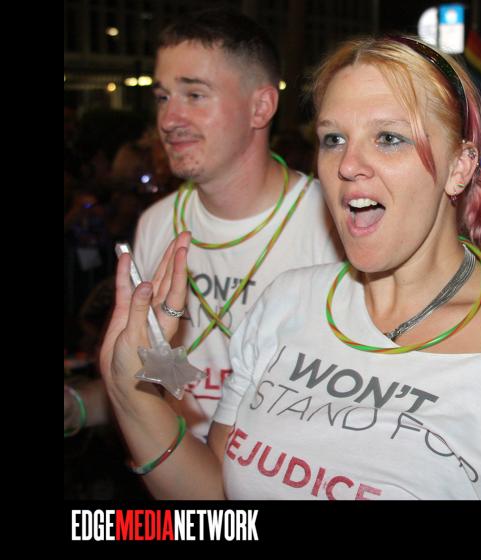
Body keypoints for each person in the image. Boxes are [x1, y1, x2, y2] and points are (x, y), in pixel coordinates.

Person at [99, 35, 481, 500]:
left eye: (389, 138)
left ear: (461, 166)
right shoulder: (287, 301)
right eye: (334, 139)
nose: (348, 164)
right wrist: (130, 393)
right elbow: (217, 497)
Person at [64, 7, 341, 442]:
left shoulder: (333, 225)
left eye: (194, 95)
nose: (169, 120)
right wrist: (76, 406)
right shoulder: (158, 224)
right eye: (162, 97)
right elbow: (151, 382)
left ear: (260, 106)